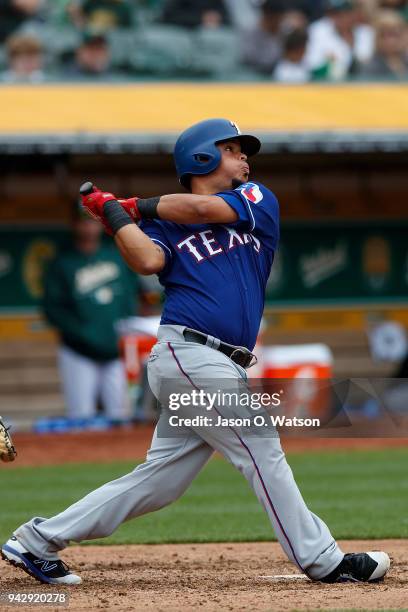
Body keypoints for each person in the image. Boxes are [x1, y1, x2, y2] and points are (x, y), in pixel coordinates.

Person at [1, 119, 390, 586]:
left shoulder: (257, 200)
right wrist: (116, 216)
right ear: (202, 157)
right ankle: (324, 560)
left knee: (161, 481)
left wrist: (132, 205)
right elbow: (146, 260)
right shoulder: (165, 223)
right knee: (261, 447)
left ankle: (36, 541)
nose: (245, 157)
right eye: (232, 149)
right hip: (190, 352)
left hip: (218, 362)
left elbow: (202, 207)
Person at [41, 205, 139, 421]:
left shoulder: (114, 257)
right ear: (74, 224)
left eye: (92, 220)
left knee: (121, 416)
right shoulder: (62, 264)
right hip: (78, 353)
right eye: (83, 221)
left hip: (115, 352)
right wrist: (84, 335)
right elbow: (52, 310)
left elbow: (130, 300)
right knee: (81, 417)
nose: (88, 226)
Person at [305, 0, 374, 80]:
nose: (342, 17)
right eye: (335, 13)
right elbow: (311, 66)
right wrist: (329, 65)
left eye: (346, 12)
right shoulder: (317, 31)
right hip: (328, 86)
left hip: (365, 85)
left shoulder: (366, 33)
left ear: (355, 12)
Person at [355, 9, 408, 78]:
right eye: (384, 35)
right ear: (376, 38)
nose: (390, 41)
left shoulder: (405, 60)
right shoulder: (370, 67)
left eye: (394, 34)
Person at [160, 0, 230, 29]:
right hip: (179, 33)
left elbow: (225, 16)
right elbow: (168, 15)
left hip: (207, 35)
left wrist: (217, 18)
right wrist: (201, 19)